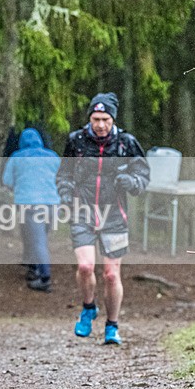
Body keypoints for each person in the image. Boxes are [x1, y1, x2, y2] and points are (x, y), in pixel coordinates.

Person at [56, 92, 149, 345]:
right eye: (96, 118)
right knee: (85, 266)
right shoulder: (76, 141)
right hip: (82, 212)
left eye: (105, 119)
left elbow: (143, 177)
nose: (100, 124)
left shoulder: (126, 144)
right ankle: (88, 308)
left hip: (114, 216)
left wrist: (131, 181)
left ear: (113, 119)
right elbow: (63, 174)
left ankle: (112, 326)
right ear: (90, 118)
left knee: (110, 274)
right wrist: (65, 194)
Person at [2, 127, 60, 293]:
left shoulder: (17, 157)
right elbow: (61, 177)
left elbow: (6, 180)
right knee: (40, 237)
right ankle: (33, 266)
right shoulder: (53, 157)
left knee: (37, 241)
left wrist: (19, 187)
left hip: (29, 204)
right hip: (52, 204)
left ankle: (44, 278)